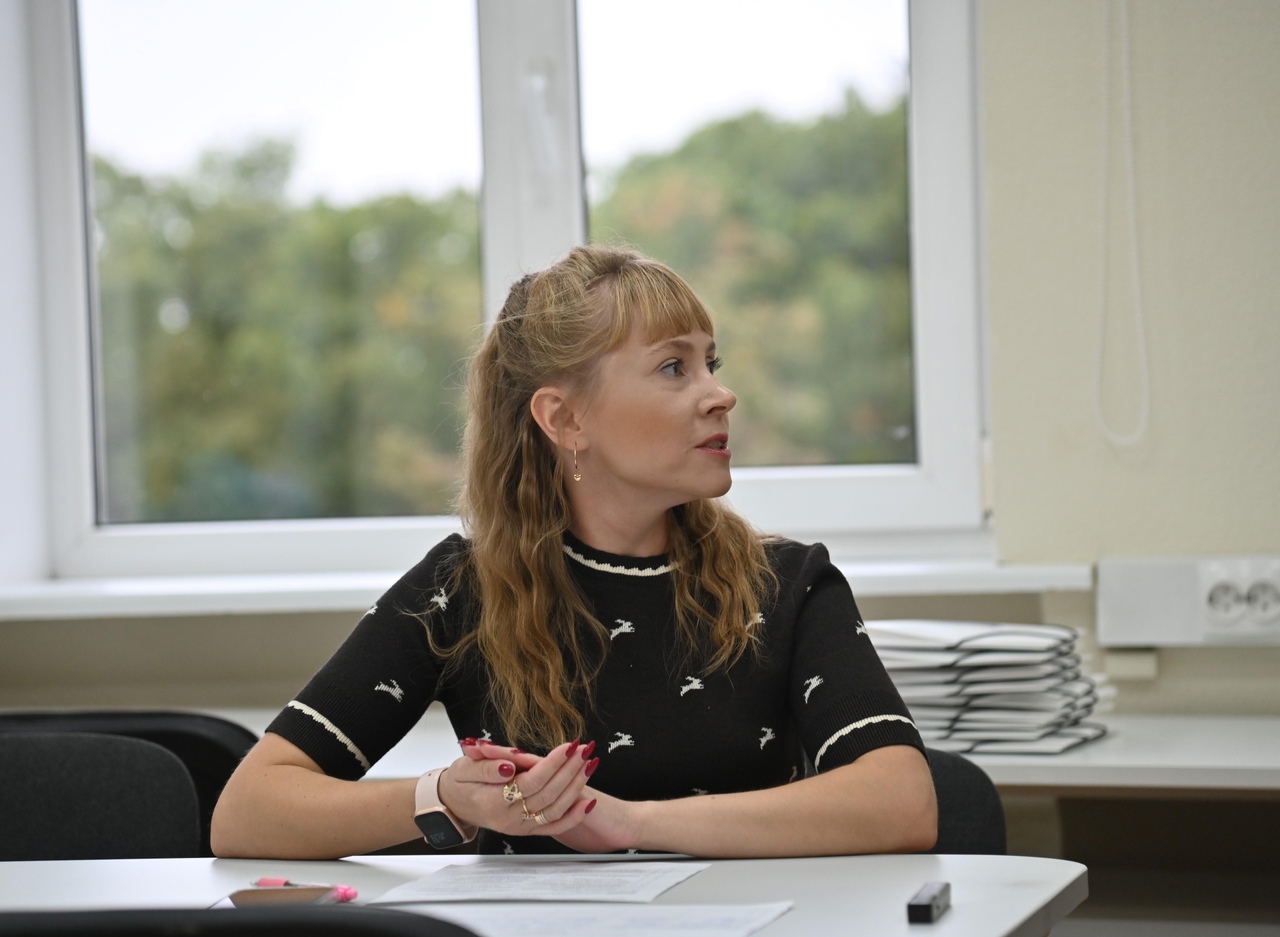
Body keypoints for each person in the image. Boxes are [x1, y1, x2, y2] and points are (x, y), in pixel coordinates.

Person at [211, 244, 937, 859]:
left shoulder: (788, 583)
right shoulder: (462, 588)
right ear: (565, 419)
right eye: (674, 367)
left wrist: (630, 823)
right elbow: (246, 812)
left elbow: (903, 801)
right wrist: (441, 797)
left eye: (710, 363)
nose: (722, 395)